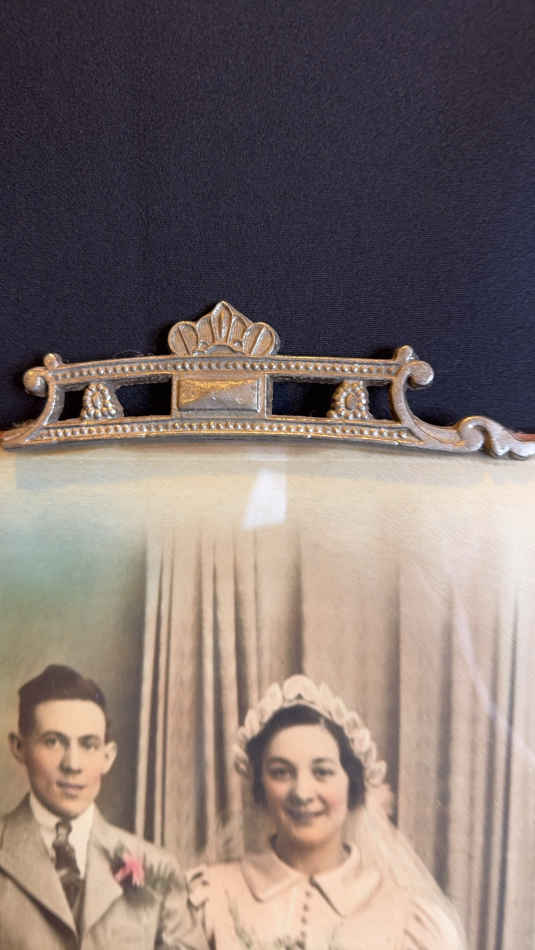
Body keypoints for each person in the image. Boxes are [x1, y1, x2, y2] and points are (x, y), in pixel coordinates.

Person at [187, 675, 467, 949]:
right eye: (281, 772)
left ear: (352, 785)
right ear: (261, 785)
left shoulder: (407, 919)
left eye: (322, 772)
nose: (302, 793)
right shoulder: (210, 898)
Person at [0, 664, 207, 950]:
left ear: (107, 757)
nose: (72, 764)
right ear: (19, 747)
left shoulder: (157, 868)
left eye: (89, 745)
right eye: (53, 742)